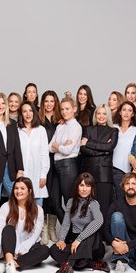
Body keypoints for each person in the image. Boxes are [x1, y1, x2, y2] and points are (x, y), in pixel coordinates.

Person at [0, 177, 49, 273]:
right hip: (8, 246)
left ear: (29, 191)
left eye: (22, 188)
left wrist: (23, 249)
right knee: (8, 229)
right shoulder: (6, 206)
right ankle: (10, 262)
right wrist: (6, 248)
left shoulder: (38, 210)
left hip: (26, 247)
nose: (18, 191)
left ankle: (9, 265)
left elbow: (35, 235)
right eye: (16, 188)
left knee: (45, 250)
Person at [50, 172, 105, 273]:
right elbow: (66, 223)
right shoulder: (71, 202)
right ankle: (92, 264)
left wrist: (79, 239)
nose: (84, 189)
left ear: (92, 188)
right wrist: (61, 239)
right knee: (53, 250)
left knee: (88, 226)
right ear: (77, 187)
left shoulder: (93, 203)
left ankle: (69, 264)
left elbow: (99, 221)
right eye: (82, 185)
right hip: (76, 244)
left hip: (93, 244)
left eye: (88, 186)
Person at [80, 104, 118, 222]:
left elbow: (110, 147)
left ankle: (103, 234)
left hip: (104, 176)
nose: (101, 116)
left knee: (104, 209)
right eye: (99, 113)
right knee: (88, 209)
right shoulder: (88, 129)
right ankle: (90, 234)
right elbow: (83, 149)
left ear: (108, 116)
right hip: (89, 173)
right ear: (95, 115)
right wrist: (103, 150)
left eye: (104, 113)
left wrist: (89, 143)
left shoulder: (113, 130)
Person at [49, 95, 82, 223]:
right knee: (54, 201)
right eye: (62, 109)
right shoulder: (60, 126)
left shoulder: (76, 127)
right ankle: (67, 230)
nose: (64, 112)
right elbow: (49, 147)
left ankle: (75, 232)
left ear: (74, 109)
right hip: (57, 166)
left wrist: (57, 145)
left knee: (70, 203)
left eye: (67, 109)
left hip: (68, 166)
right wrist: (61, 145)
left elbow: (67, 150)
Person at [38, 90, 61, 244]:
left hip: (57, 162)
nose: (49, 104)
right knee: (44, 195)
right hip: (43, 162)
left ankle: (52, 227)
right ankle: (44, 228)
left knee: (55, 196)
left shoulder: (60, 120)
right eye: (46, 101)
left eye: (52, 101)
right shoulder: (39, 121)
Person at [17, 101, 50, 205]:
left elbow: (44, 154)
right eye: (24, 111)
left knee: (37, 208)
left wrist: (43, 175)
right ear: (21, 114)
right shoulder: (17, 130)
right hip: (21, 174)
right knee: (21, 207)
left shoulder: (41, 130)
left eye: (30, 111)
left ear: (34, 112)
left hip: (37, 175)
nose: (28, 114)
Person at [112, 101, 136, 200]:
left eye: (129, 110)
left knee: (121, 199)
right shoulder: (113, 127)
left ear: (133, 114)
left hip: (125, 169)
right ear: (120, 112)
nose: (126, 113)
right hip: (110, 167)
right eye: (124, 110)